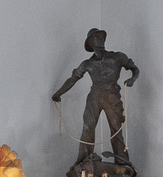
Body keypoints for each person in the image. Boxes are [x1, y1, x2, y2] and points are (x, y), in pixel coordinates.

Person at [50, 28, 141, 161]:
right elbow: (73, 79)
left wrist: (133, 79)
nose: (101, 39)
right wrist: (58, 93)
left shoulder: (117, 57)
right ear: (90, 43)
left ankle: (122, 162)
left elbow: (134, 68)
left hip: (112, 96)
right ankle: (83, 161)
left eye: (102, 36)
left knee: (116, 129)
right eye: (96, 37)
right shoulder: (88, 64)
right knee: (88, 127)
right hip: (95, 96)